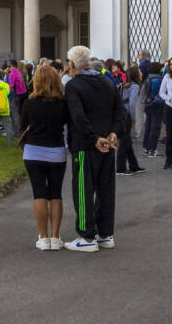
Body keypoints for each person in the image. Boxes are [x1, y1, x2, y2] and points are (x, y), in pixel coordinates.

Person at [63, 46, 126, 252]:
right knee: (105, 189)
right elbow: (120, 112)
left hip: (86, 145)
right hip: (108, 142)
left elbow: (78, 117)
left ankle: (87, 236)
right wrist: (114, 133)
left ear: (72, 64)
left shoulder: (74, 86)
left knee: (83, 189)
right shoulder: (108, 82)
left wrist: (94, 138)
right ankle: (105, 234)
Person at [20, 64, 70, 250]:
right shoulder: (62, 103)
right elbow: (66, 122)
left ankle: (43, 237)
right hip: (56, 150)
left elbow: (23, 123)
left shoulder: (29, 103)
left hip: (33, 151)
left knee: (39, 192)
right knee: (55, 194)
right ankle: (55, 237)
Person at [115, 66, 145, 176]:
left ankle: (134, 165)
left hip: (120, 114)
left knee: (127, 141)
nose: (141, 73)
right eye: (139, 72)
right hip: (126, 115)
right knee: (124, 142)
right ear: (135, 75)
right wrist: (133, 119)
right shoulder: (135, 86)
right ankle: (120, 168)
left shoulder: (124, 85)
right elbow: (132, 104)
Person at [7, 60, 28, 134]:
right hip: (22, 94)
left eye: (9, 66)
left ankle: (17, 132)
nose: (8, 68)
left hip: (16, 95)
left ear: (12, 66)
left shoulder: (12, 73)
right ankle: (19, 131)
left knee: (14, 113)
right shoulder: (18, 72)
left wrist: (7, 94)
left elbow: (11, 86)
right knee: (18, 113)